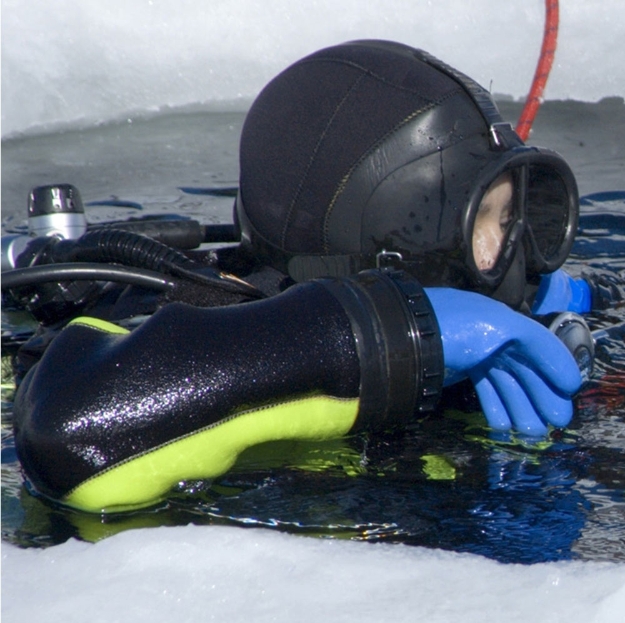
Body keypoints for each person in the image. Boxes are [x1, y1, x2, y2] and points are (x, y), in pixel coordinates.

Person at [7, 41, 595, 514]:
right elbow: (71, 436)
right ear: (379, 253)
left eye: (516, 218)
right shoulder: (168, 327)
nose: (517, 257)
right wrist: (396, 332)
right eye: (484, 225)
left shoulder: (514, 323)